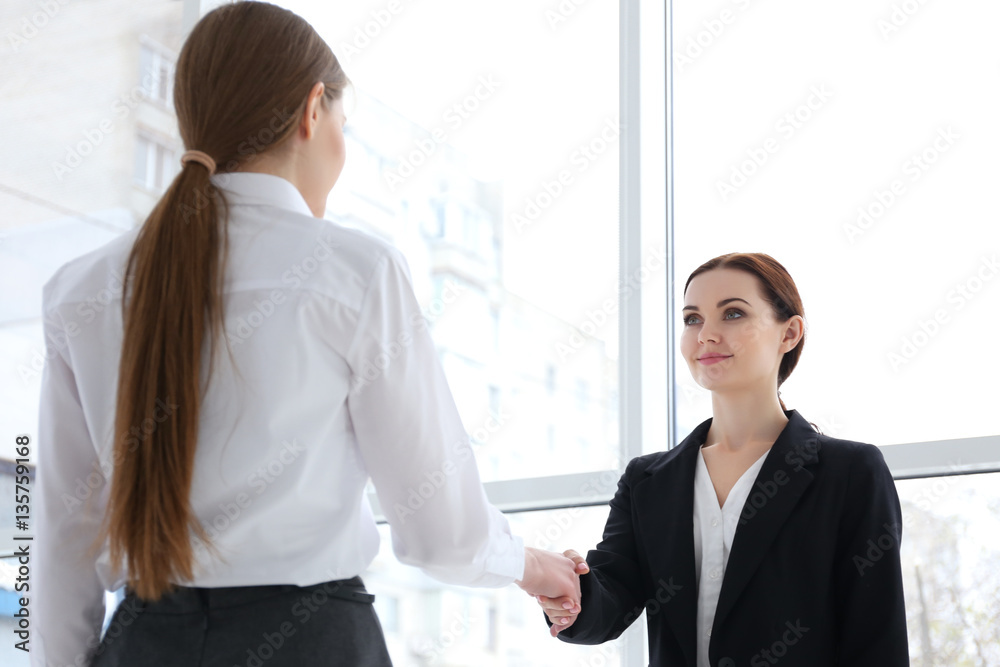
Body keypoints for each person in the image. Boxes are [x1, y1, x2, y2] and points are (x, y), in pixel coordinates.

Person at [32, 3, 585, 666]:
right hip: (311, 643)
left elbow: (64, 535)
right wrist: (532, 566)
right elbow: (441, 532)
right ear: (312, 110)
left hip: (145, 645)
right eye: (343, 126)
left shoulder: (82, 288)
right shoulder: (357, 271)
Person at [536, 252, 910, 666]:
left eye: (732, 314)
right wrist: (570, 593)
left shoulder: (851, 472)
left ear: (789, 333)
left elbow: (877, 640)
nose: (706, 335)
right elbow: (609, 605)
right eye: (692, 319)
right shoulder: (647, 481)